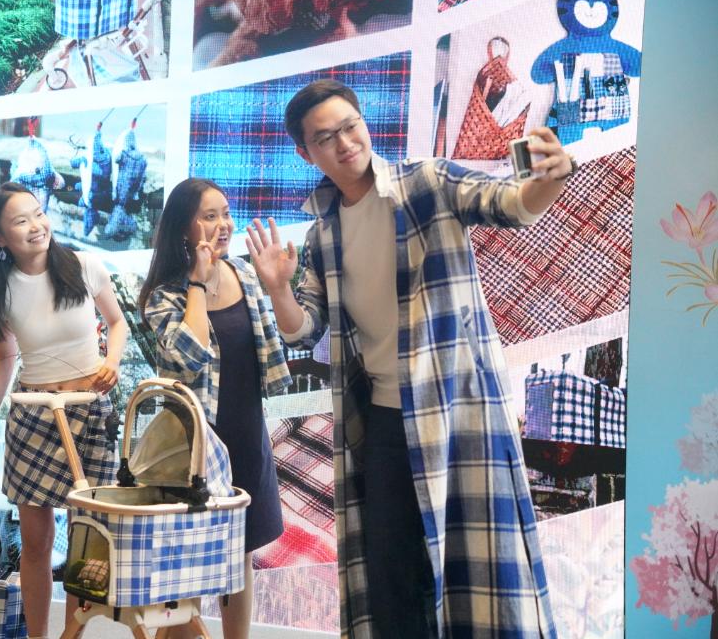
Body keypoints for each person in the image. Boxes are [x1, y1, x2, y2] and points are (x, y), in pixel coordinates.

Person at [245, 79, 571, 638]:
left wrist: (549, 179)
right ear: (306, 153)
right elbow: (305, 329)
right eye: (325, 137)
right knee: (391, 575)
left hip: (457, 414)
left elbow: (512, 204)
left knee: (480, 566)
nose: (345, 142)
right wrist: (277, 288)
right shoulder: (324, 233)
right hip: (382, 419)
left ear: (364, 123)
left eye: (350, 126)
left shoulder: (427, 183)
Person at [0, 182, 127, 639]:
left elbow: (117, 323)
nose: (37, 226)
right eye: (21, 221)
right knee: (35, 544)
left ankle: (72, 636)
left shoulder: (84, 265)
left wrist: (112, 362)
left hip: (90, 412)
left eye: (38, 213)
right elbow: (5, 356)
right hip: (34, 414)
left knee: (85, 541)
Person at [138, 178, 292, 639]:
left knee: (241, 551)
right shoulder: (164, 295)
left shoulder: (244, 273)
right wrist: (197, 285)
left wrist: (280, 286)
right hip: (194, 445)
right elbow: (190, 355)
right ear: (183, 228)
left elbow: (278, 343)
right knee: (188, 560)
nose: (223, 224)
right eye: (210, 216)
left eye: (225, 213)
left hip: (247, 434)